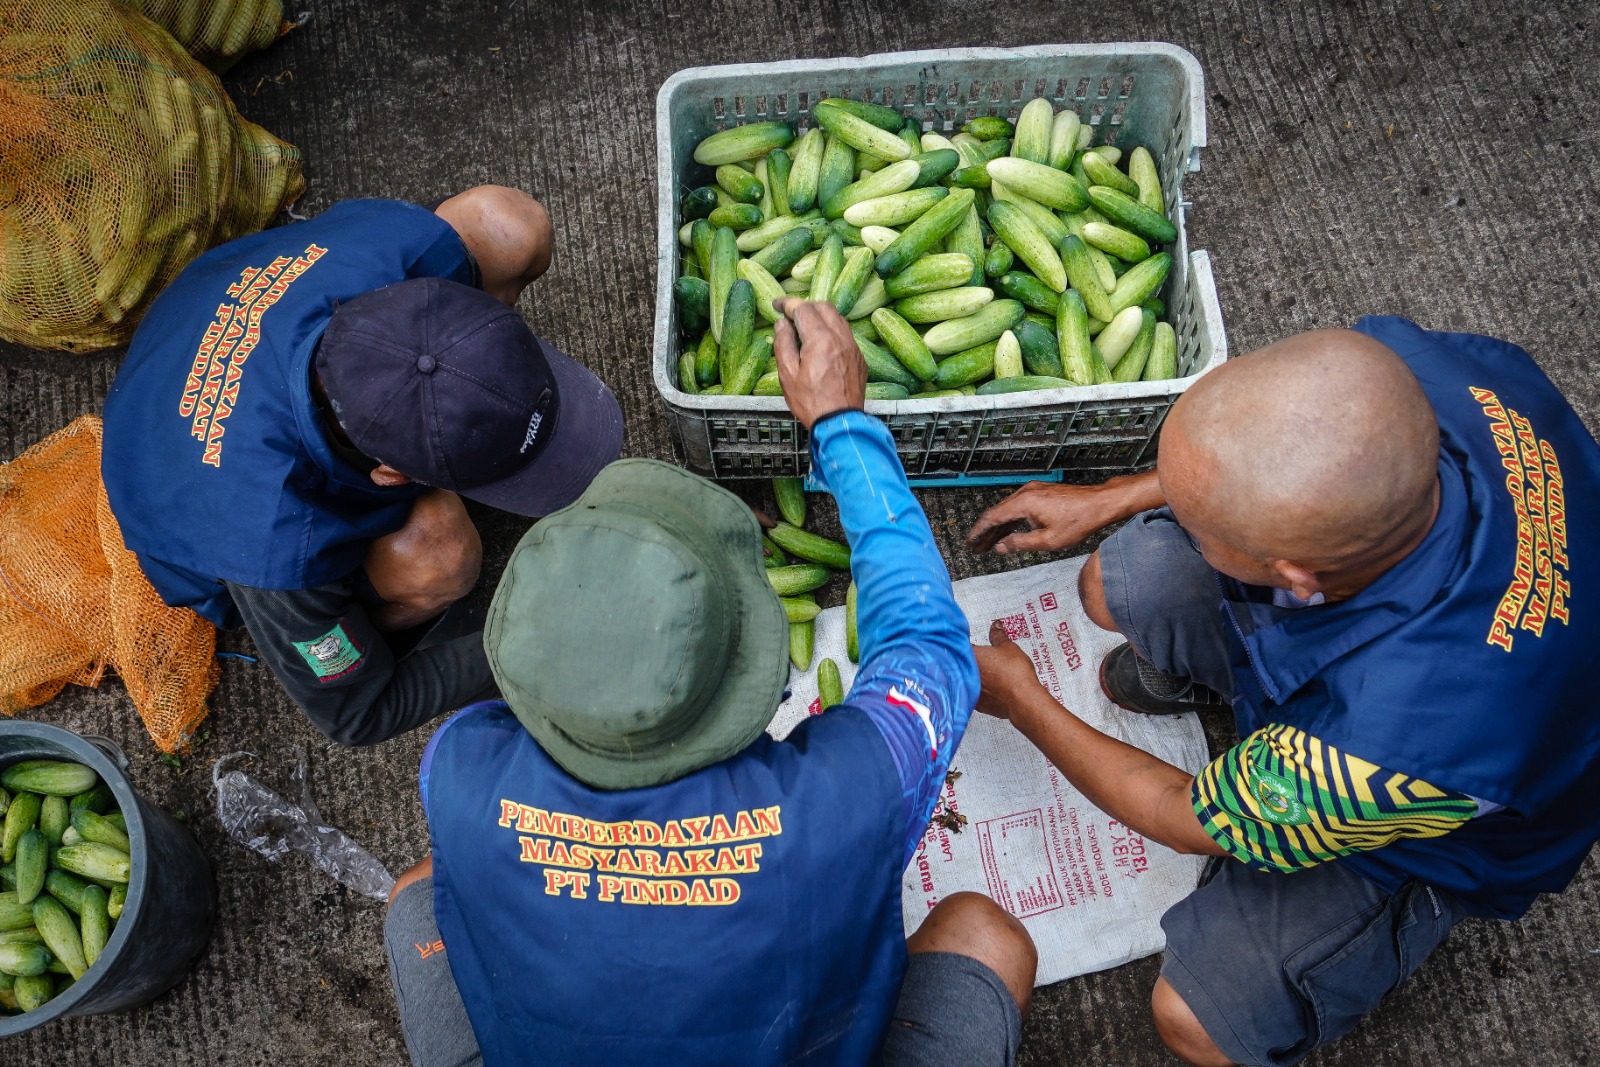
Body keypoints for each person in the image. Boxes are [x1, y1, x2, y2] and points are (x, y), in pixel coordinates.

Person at [381, 298, 1037, 1067]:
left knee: (416, 895)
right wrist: (842, 425)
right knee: (983, 934)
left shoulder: (457, 766)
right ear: (751, 681)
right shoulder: (841, 799)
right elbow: (928, 646)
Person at [967, 318, 1600, 1067]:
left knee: (1198, 1017)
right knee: (1122, 575)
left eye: (1208, 533)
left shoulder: (1386, 750)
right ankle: (1241, 686)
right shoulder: (1387, 372)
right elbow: (1259, 449)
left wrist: (1024, 698)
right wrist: (1108, 496)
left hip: (1435, 835)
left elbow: (1181, 814)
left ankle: (1370, 927)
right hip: (1415, 657)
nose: (1179, 527)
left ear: (1296, 574)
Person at [101, 187, 622, 747]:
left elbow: (489, 236)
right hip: (187, 487)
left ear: (422, 300)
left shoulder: (400, 251)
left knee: (507, 228)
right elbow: (361, 713)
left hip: (207, 323)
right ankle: (370, 620)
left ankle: (465, 401)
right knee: (439, 553)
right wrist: (542, 643)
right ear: (392, 478)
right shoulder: (273, 541)